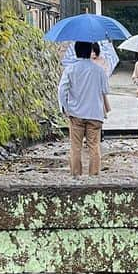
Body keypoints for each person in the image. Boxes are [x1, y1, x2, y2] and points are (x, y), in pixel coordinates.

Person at [57, 40, 110, 177]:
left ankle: (76, 176)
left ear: (76, 51)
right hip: (95, 114)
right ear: (89, 51)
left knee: (76, 147)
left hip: (76, 113)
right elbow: (105, 90)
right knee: (94, 147)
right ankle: (93, 176)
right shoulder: (99, 70)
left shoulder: (70, 69)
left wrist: (65, 107)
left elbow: (62, 90)